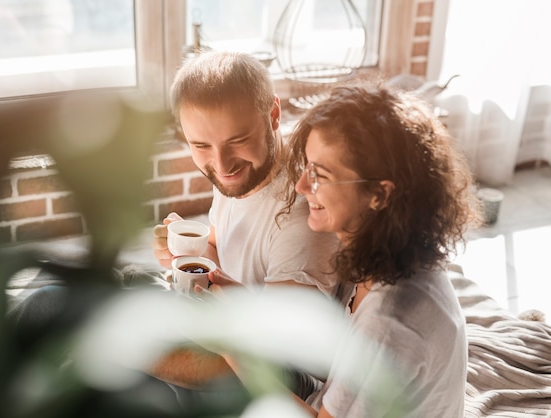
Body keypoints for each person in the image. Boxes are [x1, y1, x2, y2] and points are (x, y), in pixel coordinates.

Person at [267, 83, 479, 417]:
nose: (302, 186)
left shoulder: (391, 318)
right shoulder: (388, 253)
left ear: (380, 194)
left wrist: (234, 355)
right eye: (306, 168)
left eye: (319, 175)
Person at [149, 51, 339, 394]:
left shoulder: (303, 217)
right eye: (201, 145)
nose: (221, 164)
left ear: (274, 115)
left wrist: (130, 353)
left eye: (237, 140)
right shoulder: (242, 173)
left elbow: (272, 354)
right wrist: (186, 253)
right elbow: (223, 249)